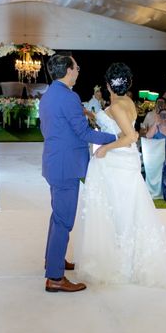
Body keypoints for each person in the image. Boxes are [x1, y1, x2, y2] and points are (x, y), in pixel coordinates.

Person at [75, 63, 166, 288]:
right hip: (126, 161)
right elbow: (117, 128)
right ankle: (127, 258)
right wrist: (92, 115)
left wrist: (105, 149)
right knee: (127, 209)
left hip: (117, 163)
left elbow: (130, 136)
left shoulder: (117, 106)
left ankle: (121, 262)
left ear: (108, 85)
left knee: (118, 210)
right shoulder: (127, 102)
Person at [39, 54, 117, 293]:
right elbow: (84, 133)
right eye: (76, 67)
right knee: (64, 220)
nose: (78, 71)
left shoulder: (48, 95)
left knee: (57, 216)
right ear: (68, 71)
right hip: (66, 166)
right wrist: (115, 138)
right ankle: (55, 277)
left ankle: (53, 260)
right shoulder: (69, 97)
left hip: (54, 162)